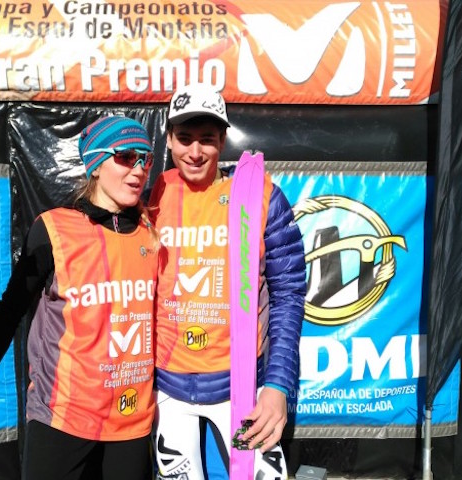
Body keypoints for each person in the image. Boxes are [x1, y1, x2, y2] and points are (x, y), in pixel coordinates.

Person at [0, 116, 159, 480]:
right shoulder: (55, 228)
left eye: (145, 159)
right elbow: (10, 312)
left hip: (130, 422)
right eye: (126, 157)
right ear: (96, 164)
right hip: (63, 417)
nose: (138, 169)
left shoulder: (153, 233)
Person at [149, 84, 307, 480]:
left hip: (242, 387)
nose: (195, 151)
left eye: (206, 138)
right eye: (184, 138)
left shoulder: (260, 195)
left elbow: (289, 294)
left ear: (223, 139)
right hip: (168, 389)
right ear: (169, 139)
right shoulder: (153, 196)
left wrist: (278, 386)